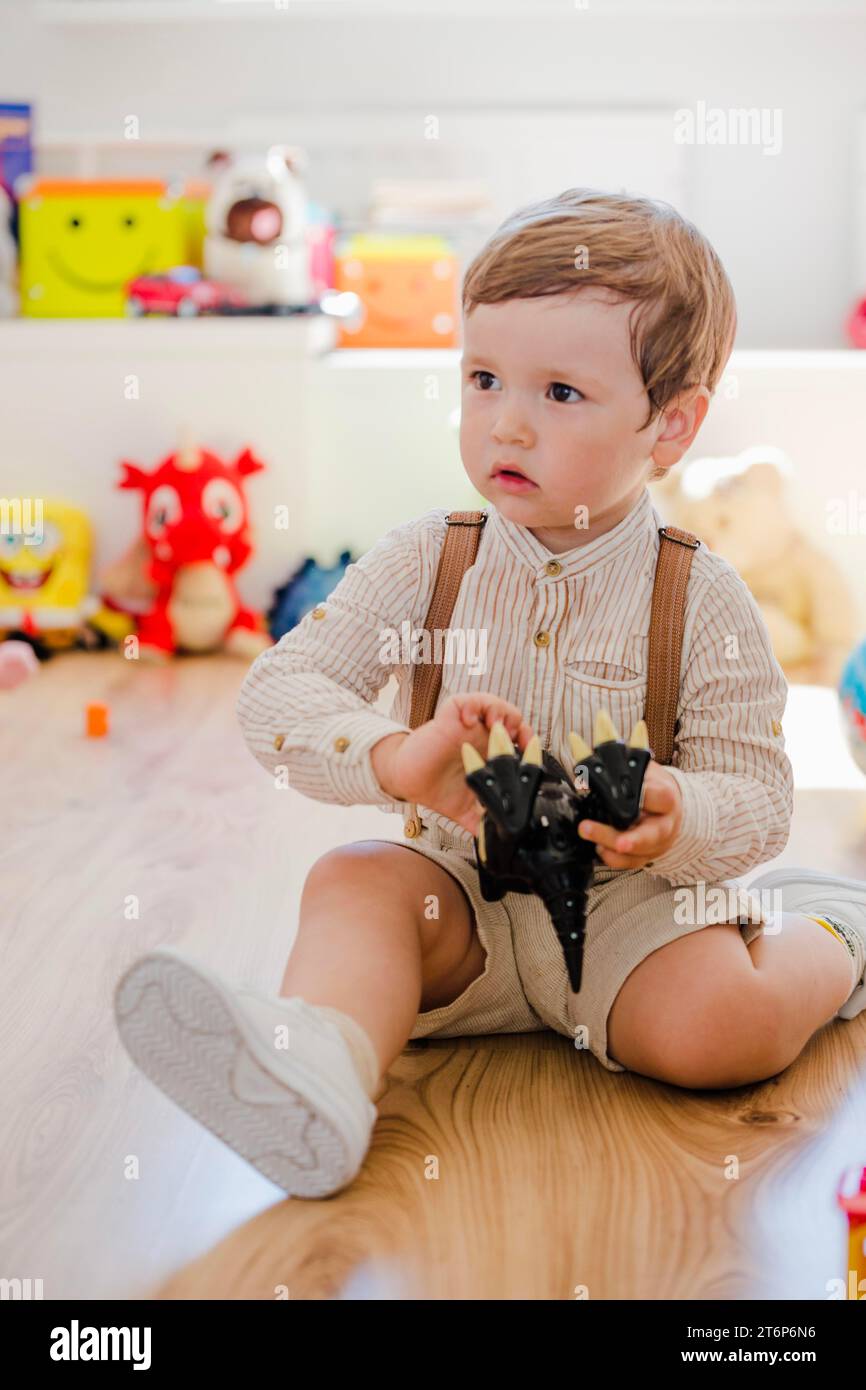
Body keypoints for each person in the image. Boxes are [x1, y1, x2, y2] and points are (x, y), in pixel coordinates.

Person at [114, 189, 866, 1200]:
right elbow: (277, 694)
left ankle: (831, 937)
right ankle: (319, 1068)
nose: (506, 421)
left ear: (670, 422)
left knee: (716, 1031)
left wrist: (677, 810)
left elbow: (760, 797)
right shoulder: (427, 557)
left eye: (559, 392)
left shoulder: (701, 597)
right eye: (482, 378)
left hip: (626, 916)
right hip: (455, 903)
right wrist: (390, 757)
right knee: (352, 880)